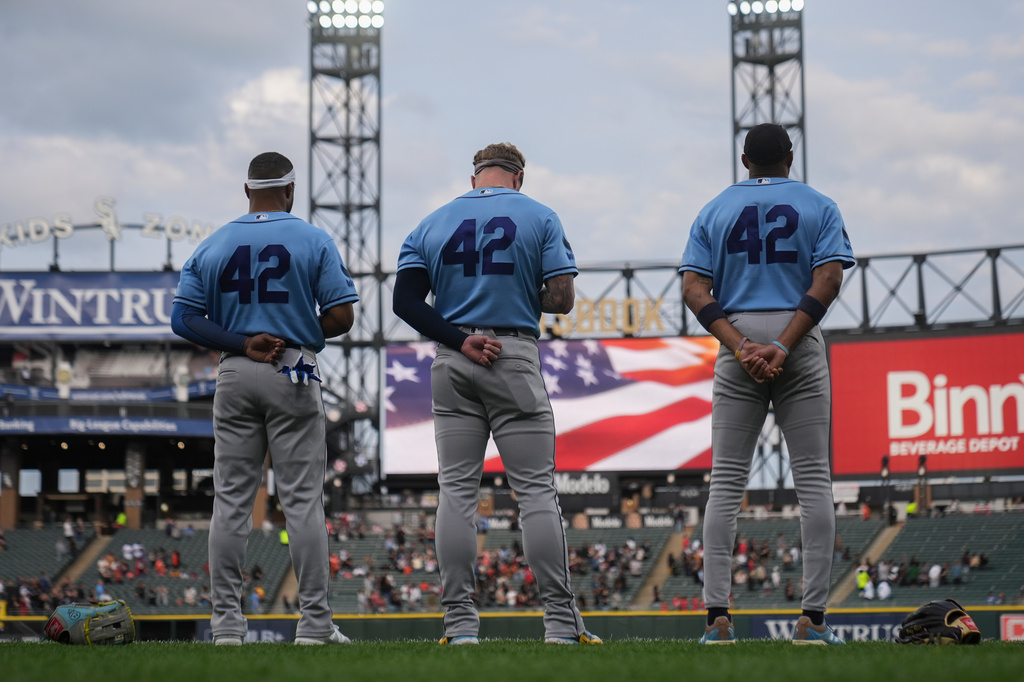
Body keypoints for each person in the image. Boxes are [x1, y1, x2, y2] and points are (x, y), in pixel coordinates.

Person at [392, 142, 600, 646]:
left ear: (474, 179)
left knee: (457, 495)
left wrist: (460, 339)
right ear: (519, 177)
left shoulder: (432, 222)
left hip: (454, 354)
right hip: (511, 351)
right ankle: (559, 625)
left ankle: (460, 627)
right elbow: (563, 300)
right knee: (534, 493)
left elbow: (404, 302)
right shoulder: (539, 215)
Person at [172, 151, 359, 646]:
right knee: (302, 504)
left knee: (231, 502)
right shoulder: (313, 239)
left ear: (246, 190)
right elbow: (342, 317)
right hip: (292, 366)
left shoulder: (212, 244)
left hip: (234, 369)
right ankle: (316, 626)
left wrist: (243, 342)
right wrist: (291, 333)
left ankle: (227, 628)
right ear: (291, 190)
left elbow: (184, 319)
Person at [679, 123, 854, 645]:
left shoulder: (713, 209)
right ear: (791, 157)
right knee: (814, 483)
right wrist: (782, 344)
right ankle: (812, 622)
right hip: (796, 336)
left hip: (738, 338)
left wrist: (740, 345)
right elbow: (829, 279)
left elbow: (693, 287)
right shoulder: (819, 204)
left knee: (726, 484)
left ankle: (717, 622)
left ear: (744, 160)